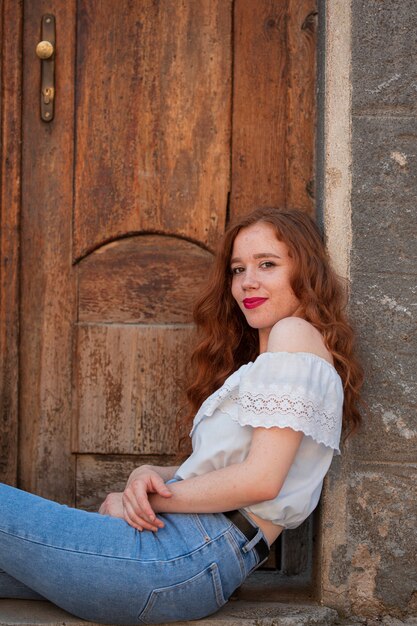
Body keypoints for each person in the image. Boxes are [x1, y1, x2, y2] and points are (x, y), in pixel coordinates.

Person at [0, 208, 363, 625]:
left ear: (307, 272)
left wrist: (145, 502)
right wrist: (151, 472)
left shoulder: (292, 335)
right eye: (238, 269)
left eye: (268, 264)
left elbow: (261, 478)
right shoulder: (280, 358)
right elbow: (241, 466)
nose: (248, 282)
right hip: (192, 560)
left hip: (181, 556)